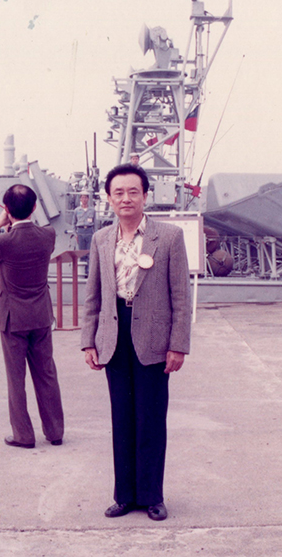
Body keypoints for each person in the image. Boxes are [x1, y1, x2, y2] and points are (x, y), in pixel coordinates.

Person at [81, 163, 191, 522]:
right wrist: (88, 340)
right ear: (109, 198)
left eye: (133, 192)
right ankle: (125, 495)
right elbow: (93, 294)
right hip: (114, 334)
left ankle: (152, 496)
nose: (125, 198)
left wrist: (178, 344)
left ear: (145, 196)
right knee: (122, 418)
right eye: (118, 192)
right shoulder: (101, 239)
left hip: (154, 338)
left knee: (151, 418)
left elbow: (180, 295)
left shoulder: (169, 237)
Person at [0, 185, 64, 448]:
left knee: (16, 380)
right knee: (46, 374)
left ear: (6, 209)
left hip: (13, 318)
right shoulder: (48, 235)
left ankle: (23, 435)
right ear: (34, 207)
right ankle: (55, 432)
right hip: (40, 315)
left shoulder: (3, 241)